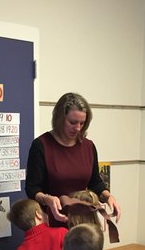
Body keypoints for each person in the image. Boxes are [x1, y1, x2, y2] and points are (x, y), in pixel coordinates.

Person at [25, 92, 121, 226]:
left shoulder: (88, 146)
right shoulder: (41, 145)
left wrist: (108, 196)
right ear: (60, 118)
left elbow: (95, 183)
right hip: (53, 220)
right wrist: (47, 199)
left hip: (83, 221)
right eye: (72, 122)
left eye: (82, 123)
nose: (78, 128)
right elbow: (32, 189)